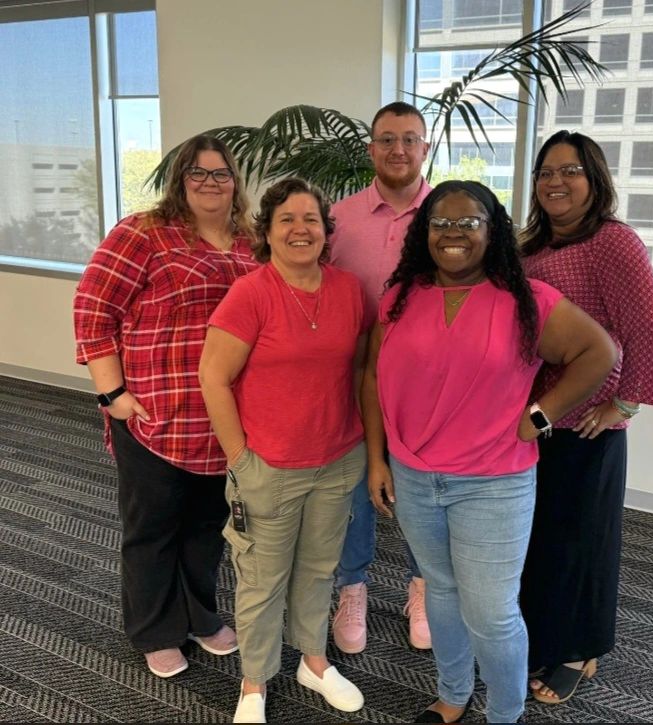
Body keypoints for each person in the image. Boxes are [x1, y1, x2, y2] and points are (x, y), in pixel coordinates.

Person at [363, 180, 619, 724]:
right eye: (440, 223)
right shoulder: (401, 297)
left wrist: (540, 415)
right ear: (425, 231)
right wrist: (377, 458)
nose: (452, 233)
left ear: (492, 230)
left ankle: (505, 713)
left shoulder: (528, 300)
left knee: (491, 612)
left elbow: (600, 352)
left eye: (468, 222)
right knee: (441, 591)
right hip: (414, 476)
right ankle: (453, 695)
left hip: (492, 482)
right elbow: (372, 376)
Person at [73, 134, 257, 678]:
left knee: (206, 528)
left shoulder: (250, 241)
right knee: (152, 530)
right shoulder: (144, 233)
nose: (209, 182)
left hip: (224, 421)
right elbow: (92, 309)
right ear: (180, 179)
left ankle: (199, 616)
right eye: (197, 172)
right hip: (155, 416)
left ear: (235, 181)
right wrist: (114, 395)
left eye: (220, 173)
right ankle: (155, 629)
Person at [198, 177, 368, 724]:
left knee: (318, 569)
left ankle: (313, 661)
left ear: (326, 230)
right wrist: (240, 460)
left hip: (337, 461)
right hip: (268, 467)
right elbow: (213, 378)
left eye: (311, 219)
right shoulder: (251, 294)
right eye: (287, 220)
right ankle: (254, 681)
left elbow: (360, 368)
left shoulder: (348, 290)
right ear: (266, 233)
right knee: (262, 579)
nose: (300, 229)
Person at [519, 130, 653, 705]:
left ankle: (578, 650)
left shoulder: (611, 241)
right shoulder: (533, 245)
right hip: (539, 417)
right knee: (543, 538)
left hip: (586, 423)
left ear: (595, 179)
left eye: (570, 171)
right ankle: (546, 635)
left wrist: (624, 403)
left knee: (581, 540)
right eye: (546, 172)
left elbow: (650, 322)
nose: (555, 181)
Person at [329, 100, 433, 654]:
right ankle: (352, 588)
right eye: (387, 139)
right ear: (371, 149)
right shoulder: (338, 218)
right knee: (355, 488)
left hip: (424, 384)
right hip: (349, 378)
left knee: (419, 488)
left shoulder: (447, 214)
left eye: (409, 139)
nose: (398, 149)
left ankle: (423, 587)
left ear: (425, 148)